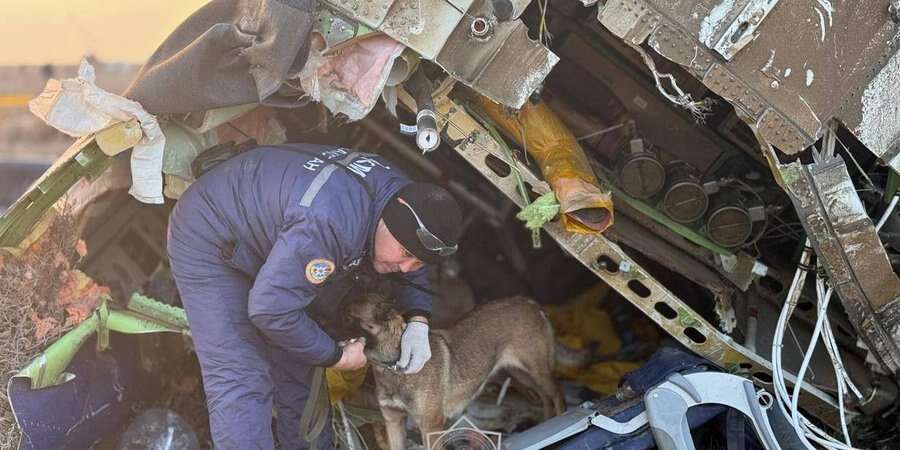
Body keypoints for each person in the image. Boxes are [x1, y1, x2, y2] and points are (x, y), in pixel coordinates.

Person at [166, 143, 463, 449]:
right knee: (241, 377)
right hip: (210, 233)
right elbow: (270, 310)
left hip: (271, 233)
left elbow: (412, 254)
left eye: (418, 262)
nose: (406, 268)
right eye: (404, 255)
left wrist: (419, 317)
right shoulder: (330, 224)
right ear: (388, 221)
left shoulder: (402, 197)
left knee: (298, 362)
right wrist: (336, 356)